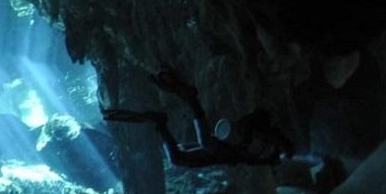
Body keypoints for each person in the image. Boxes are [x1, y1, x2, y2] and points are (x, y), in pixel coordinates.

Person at [103, 67, 292, 167]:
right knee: (197, 149)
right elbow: (267, 141)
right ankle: (186, 104)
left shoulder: (269, 145)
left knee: (179, 156)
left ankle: (163, 121)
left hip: (235, 150)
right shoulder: (270, 139)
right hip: (235, 150)